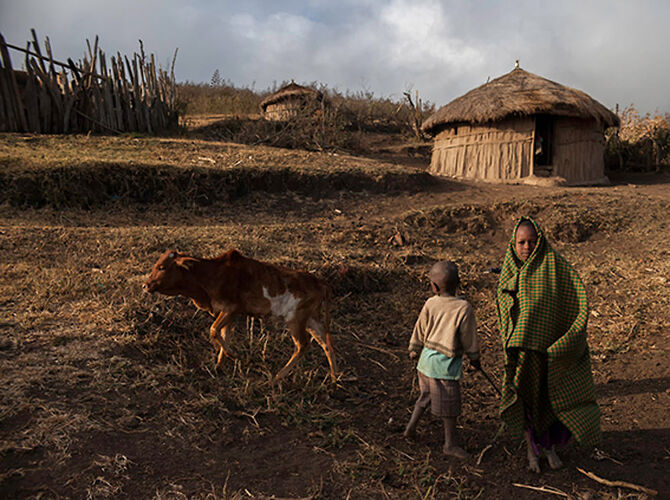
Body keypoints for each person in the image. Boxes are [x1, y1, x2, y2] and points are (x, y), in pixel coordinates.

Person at [496, 217, 600, 472]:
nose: (527, 247)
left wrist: (567, 340)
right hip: (523, 353)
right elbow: (503, 311)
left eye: (532, 241)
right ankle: (532, 452)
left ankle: (549, 447)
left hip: (550, 352)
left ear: (540, 241)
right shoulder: (509, 273)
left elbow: (577, 300)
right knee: (528, 402)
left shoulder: (554, 267)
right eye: (521, 242)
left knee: (552, 400)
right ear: (514, 243)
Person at [404, 261, 481, 459]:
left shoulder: (431, 303)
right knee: (450, 408)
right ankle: (449, 444)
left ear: (434, 286)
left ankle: (410, 428)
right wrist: (474, 357)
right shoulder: (463, 308)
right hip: (444, 367)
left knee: (425, 396)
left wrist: (414, 348)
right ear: (459, 282)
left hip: (425, 362)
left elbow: (420, 328)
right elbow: (469, 337)